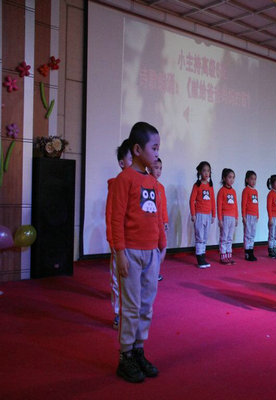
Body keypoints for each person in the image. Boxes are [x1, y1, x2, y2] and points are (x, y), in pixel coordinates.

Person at [111, 122, 167, 383]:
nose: (157, 153)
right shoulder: (124, 180)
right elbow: (116, 219)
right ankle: (125, 356)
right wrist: (120, 253)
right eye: (153, 148)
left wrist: (162, 244)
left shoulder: (152, 182)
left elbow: (157, 217)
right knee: (131, 306)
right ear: (136, 150)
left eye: (158, 148)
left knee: (146, 305)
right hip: (131, 253)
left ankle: (138, 349)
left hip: (151, 253)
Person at [105, 139, 132, 330]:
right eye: (131, 159)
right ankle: (118, 313)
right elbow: (110, 214)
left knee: (134, 280)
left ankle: (132, 312)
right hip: (119, 242)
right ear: (122, 163)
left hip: (137, 242)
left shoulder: (142, 183)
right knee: (118, 278)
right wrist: (113, 240)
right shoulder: (116, 186)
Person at [189, 161, 215, 268]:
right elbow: (192, 200)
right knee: (199, 236)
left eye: (208, 171)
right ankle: (199, 258)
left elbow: (213, 201)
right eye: (204, 171)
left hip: (208, 215)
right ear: (200, 172)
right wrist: (193, 214)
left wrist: (213, 215)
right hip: (199, 214)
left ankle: (203, 256)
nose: (206, 173)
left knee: (205, 237)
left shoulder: (210, 186)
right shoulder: (197, 185)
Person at [151, 158, 168, 281]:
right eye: (156, 168)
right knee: (151, 248)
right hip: (150, 222)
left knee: (159, 247)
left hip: (160, 222)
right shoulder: (145, 183)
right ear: (148, 168)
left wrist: (165, 221)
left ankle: (155, 271)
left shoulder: (161, 187)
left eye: (160, 168)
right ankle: (150, 272)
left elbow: (163, 206)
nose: (158, 171)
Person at [217, 168, 238, 265]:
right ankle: (223, 256)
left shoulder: (233, 191)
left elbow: (235, 205)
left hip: (232, 217)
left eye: (233, 177)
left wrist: (236, 217)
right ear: (224, 178)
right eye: (229, 177)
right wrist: (220, 219)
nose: (232, 179)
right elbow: (219, 206)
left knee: (230, 237)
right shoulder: (221, 191)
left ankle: (229, 255)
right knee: (224, 237)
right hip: (225, 217)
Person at [241, 170, 259, 261]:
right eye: (251, 179)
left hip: (254, 216)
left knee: (252, 234)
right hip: (248, 215)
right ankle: (247, 252)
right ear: (247, 180)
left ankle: (251, 251)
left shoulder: (255, 191)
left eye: (255, 179)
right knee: (247, 234)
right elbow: (243, 204)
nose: (253, 181)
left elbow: (256, 204)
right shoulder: (246, 190)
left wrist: (257, 215)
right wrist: (243, 216)